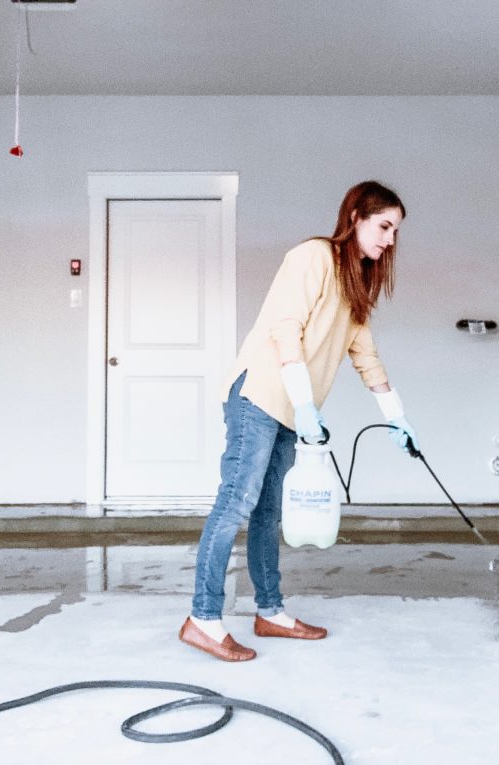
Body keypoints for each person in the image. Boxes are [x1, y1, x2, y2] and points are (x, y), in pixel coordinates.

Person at [179, 180, 417, 662]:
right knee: (236, 502)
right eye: (384, 226)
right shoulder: (313, 258)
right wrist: (307, 405)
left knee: (269, 512)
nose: (390, 239)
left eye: (396, 231)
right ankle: (203, 618)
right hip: (260, 394)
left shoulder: (356, 284)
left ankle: (270, 612)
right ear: (355, 218)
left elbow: (365, 357)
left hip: (293, 408)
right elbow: (285, 328)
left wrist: (398, 418)